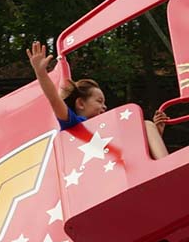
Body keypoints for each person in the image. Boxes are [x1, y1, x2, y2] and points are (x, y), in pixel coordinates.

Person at [27, 42, 170, 159]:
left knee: (146, 126)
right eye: (99, 101)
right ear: (81, 103)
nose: (105, 107)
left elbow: (132, 157)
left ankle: (164, 163)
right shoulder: (75, 124)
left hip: (120, 175)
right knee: (146, 125)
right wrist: (41, 73)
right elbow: (54, 98)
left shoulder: (111, 132)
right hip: (94, 183)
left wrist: (155, 134)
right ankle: (167, 166)